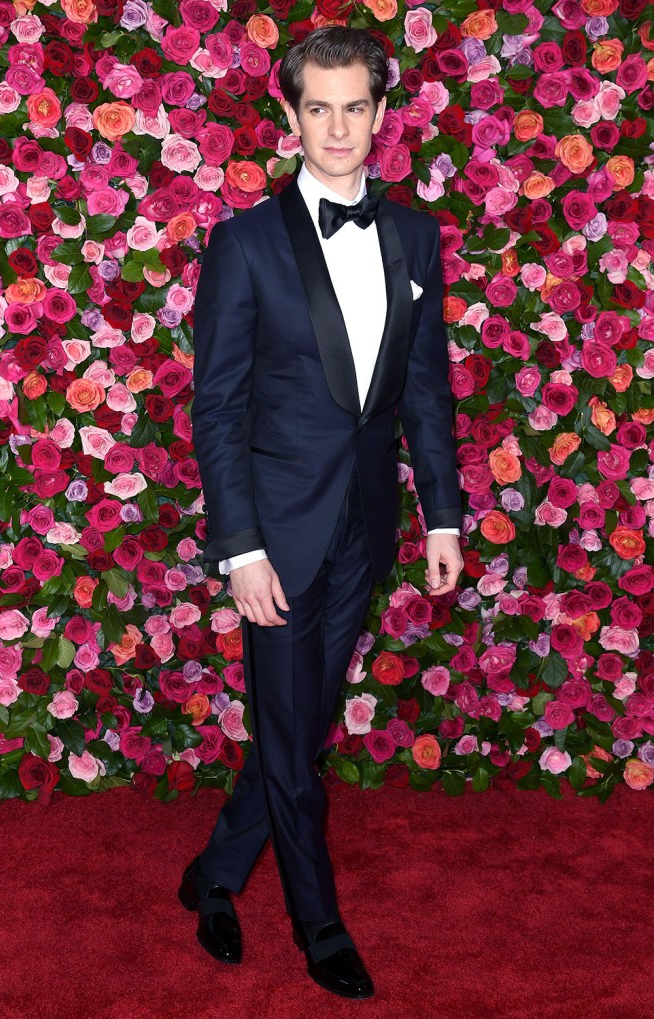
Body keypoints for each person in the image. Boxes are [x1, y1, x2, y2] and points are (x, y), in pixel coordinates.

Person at [182, 25, 464, 999]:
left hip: (364, 531)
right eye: (318, 107)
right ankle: (319, 924)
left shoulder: (415, 237)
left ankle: (216, 869)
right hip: (277, 538)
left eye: (355, 106)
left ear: (381, 116)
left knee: (293, 731)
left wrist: (441, 516)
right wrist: (240, 547)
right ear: (291, 115)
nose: (338, 127)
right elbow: (215, 406)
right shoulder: (245, 243)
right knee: (295, 743)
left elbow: (422, 387)